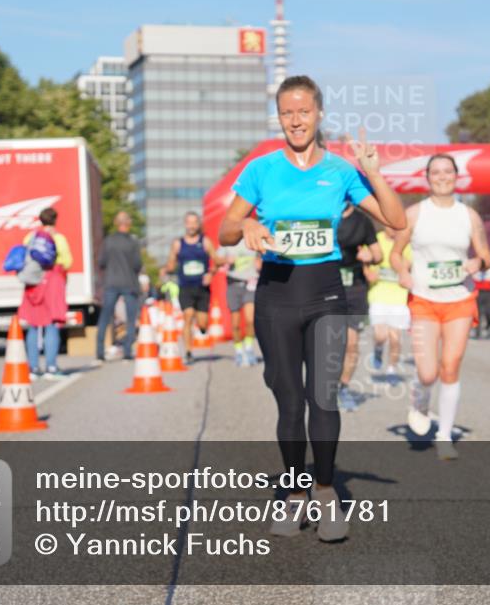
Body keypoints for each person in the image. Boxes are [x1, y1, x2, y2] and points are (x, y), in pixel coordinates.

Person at [218, 75, 405, 542]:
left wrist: (374, 173)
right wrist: (246, 230)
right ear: (279, 117)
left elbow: (397, 222)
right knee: (289, 402)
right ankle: (296, 496)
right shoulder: (261, 169)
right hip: (277, 296)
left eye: (303, 111)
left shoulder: (342, 172)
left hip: (325, 294)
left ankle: (326, 494)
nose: (296, 120)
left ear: (319, 114)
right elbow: (224, 228)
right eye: (287, 112)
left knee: (323, 397)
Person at [391, 153, 490, 460]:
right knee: (427, 372)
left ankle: (445, 435)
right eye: (436, 172)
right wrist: (403, 272)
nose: (442, 176)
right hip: (423, 299)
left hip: (459, 300)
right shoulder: (414, 214)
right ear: (428, 177)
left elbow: (486, 254)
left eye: (448, 171)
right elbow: (396, 253)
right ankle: (420, 402)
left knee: (450, 366)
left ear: (456, 176)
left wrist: (478, 261)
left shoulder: (469, 216)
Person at [336, 201, 382, 411]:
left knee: (351, 345)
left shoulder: (362, 220)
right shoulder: (321, 212)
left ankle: (343, 388)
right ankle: (322, 387)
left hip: (354, 289)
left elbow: (378, 254)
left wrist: (370, 257)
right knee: (326, 343)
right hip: (325, 286)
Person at [18, 207, 72, 380]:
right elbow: (67, 262)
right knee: (52, 324)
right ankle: (51, 367)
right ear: (55, 220)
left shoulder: (31, 237)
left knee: (33, 325)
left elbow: (24, 258)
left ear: (40, 220)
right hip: (52, 282)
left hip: (33, 284)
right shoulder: (59, 238)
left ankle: (33, 368)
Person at [166, 212, 217, 365]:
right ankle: (188, 352)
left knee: (202, 323)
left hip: (202, 288)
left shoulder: (205, 241)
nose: (192, 226)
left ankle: (202, 328)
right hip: (185, 287)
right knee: (188, 316)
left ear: (198, 224)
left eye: (195, 222)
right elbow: (171, 263)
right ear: (185, 224)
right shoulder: (177, 243)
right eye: (189, 222)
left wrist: (211, 273)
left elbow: (216, 261)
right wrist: (167, 268)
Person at [95, 211, 142, 364]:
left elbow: (101, 262)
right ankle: (127, 352)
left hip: (111, 283)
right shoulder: (132, 242)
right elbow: (137, 264)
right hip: (129, 283)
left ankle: (100, 352)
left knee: (105, 317)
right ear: (128, 223)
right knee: (130, 318)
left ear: (116, 223)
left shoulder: (108, 241)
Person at [367, 225, 412, 378]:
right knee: (381, 336)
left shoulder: (404, 242)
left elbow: (408, 263)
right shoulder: (376, 239)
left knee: (395, 338)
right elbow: (365, 260)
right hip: (378, 294)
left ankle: (392, 368)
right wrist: (368, 272)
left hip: (399, 297)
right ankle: (378, 349)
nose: (394, 229)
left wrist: (400, 263)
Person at [216, 240, 261, 367]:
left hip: (250, 284)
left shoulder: (251, 238)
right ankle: (239, 351)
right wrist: (225, 259)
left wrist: (260, 262)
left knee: (250, 320)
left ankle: (249, 348)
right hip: (233, 284)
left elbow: (263, 255)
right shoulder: (227, 241)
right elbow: (216, 260)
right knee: (235, 324)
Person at [472, 256, 490, 340]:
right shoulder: (475, 262)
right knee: (478, 312)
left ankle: (488, 327)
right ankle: (477, 331)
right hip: (477, 290)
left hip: (488, 290)